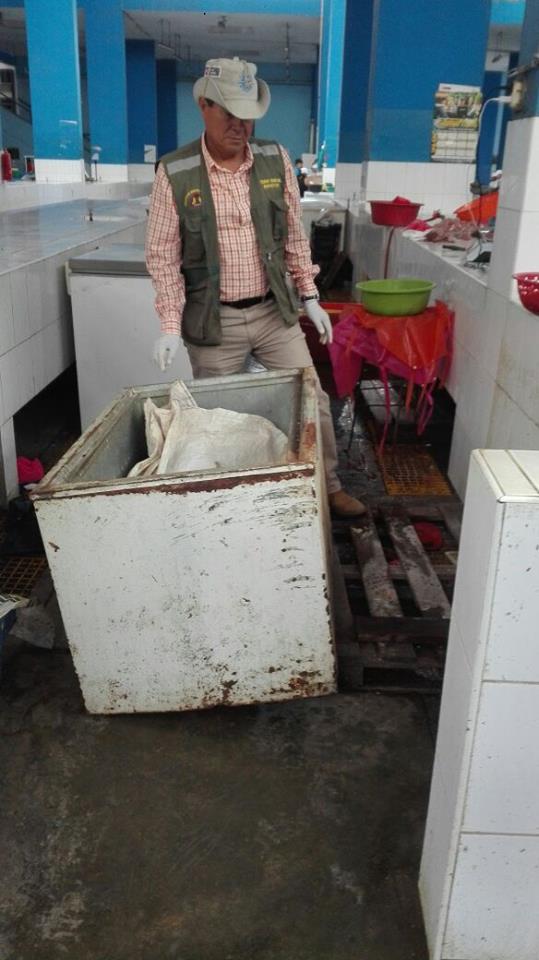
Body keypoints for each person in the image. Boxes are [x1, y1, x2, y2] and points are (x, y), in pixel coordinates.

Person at [146, 56, 365, 517]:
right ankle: (236, 504)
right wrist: (169, 324)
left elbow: (293, 234)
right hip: (214, 322)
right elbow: (163, 257)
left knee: (312, 398)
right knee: (222, 418)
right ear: (204, 105)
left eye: (248, 115)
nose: (240, 126)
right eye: (229, 113)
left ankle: (328, 487)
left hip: (272, 313)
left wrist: (310, 295)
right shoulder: (175, 172)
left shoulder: (274, 158)